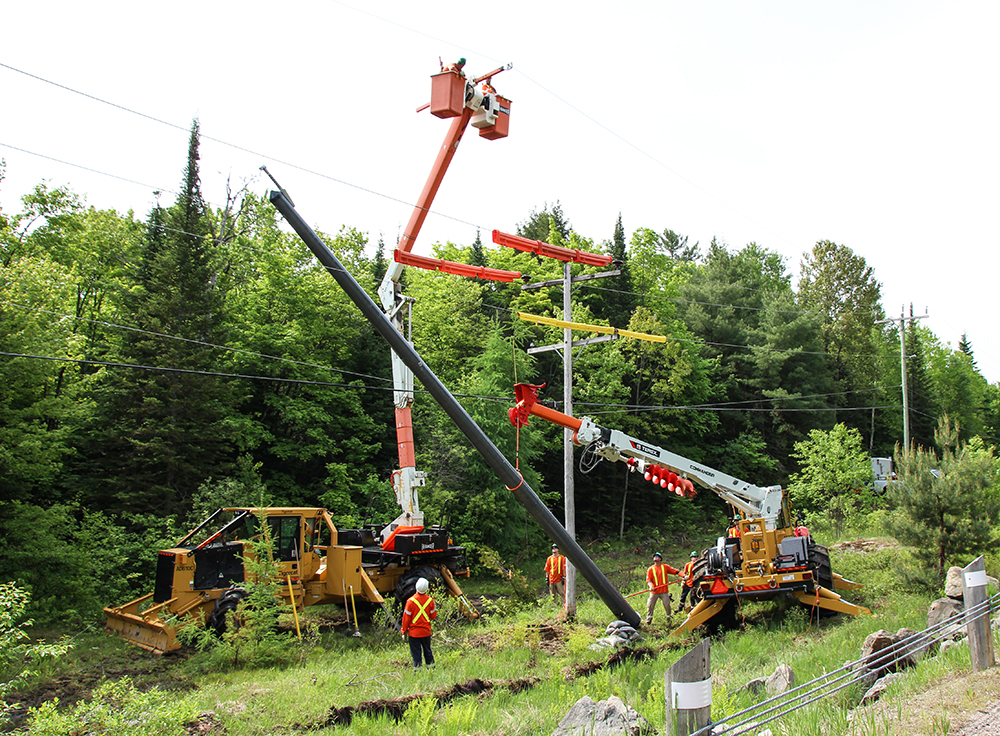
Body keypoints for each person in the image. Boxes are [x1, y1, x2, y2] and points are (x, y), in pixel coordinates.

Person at [401, 577, 437, 669]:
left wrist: (404, 631)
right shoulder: (430, 600)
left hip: (414, 634)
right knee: (427, 651)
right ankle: (431, 669)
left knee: (416, 653)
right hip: (426, 632)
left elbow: (406, 618)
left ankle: (417, 671)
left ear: (416, 587)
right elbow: (433, 616)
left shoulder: (410, 601)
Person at [645, 552, 680, 625]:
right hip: (654, 592)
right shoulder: (650, 569)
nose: (655, 557)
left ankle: (669, 618)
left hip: (664, 592)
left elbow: (675, 571)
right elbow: (648, 580)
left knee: (667, 605)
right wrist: (651, 586)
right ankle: (649, 619)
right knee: (650, 605)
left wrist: (683, 575)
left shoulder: (665, 567)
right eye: (654, 556)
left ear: (660, 559)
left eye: (657, 556)